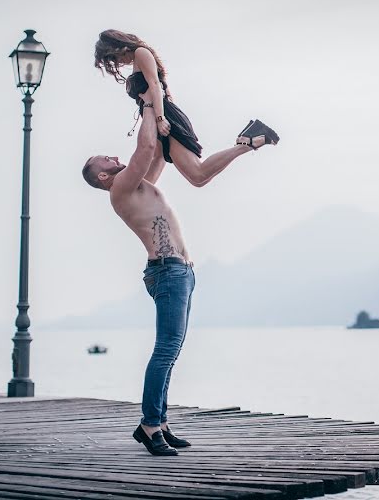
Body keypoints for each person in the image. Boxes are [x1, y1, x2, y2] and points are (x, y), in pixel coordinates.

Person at [81, 102, 268, 456]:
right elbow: (147, 147)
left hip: (179, 271)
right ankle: (150, 425)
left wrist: (159, 114)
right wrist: (150, 105)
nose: (109, 156)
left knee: (172, 350)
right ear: (102, 178)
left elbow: (157, 155)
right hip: (167, 271)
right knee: (165, 350)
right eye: (102, 159)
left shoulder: (139, 185)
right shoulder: (121, 189)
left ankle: (159, 422)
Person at [94, 29, 279, 187]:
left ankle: (248, 141)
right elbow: (164, 90)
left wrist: (160, 118)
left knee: (198, 175)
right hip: (158, 115)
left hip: (164, 115)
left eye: (114, 59)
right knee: (155, 174)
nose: (117, 63)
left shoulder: (141, 53)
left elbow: (155, 85)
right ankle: (139, 198)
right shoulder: (138, 58)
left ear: (118, 48)